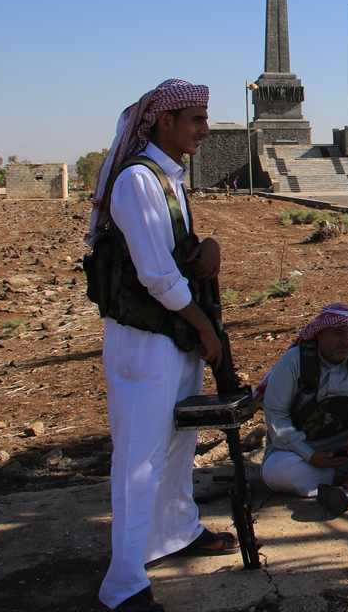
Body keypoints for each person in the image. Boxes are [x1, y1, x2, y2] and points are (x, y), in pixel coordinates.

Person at [86, 79, 235, 612]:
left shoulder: (169, 180)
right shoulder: (137, 181)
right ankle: (123, 583)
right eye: (196, 119)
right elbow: (157, 276)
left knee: (176, 446)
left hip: (174, 339)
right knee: (139, 459)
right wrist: (205, 329)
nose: (205, 130)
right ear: (164, 122)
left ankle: (174, 531)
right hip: (146, 343)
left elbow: (178, 252)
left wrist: (210, 245)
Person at [257, 302, 348, 516]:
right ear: (319, 334)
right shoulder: (293, 362)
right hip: (302, 448)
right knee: (276, 471)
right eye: (338, 333)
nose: (346, 341)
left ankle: (346, 491)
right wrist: (309, 455)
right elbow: (276, 417)